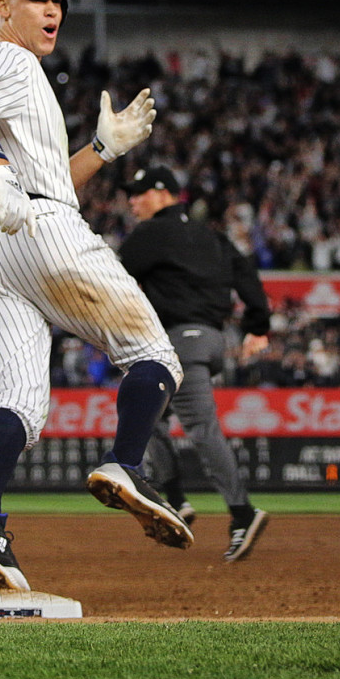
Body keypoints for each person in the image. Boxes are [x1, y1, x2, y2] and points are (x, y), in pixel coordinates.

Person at [0, 0, 193, 592]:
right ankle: (126, 466)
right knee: (154, 355)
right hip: (31, 230)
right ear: (3, 7)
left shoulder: (29, 86)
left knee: (18, 407)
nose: (52, 8)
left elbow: (54, 186)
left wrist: (102, 149)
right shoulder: (11, 60)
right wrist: (0, 173)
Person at [118, 165, 271, 562]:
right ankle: (175, 500)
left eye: (139, 193)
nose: (133, 202)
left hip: (180, 340)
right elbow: (246, 271)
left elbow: (113, 276)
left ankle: (243, 512)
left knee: (201, 427)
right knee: (144, 415)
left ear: (164, 192)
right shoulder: (211, 235)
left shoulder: (151, 233)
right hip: (211, 340)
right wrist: (257, 325)